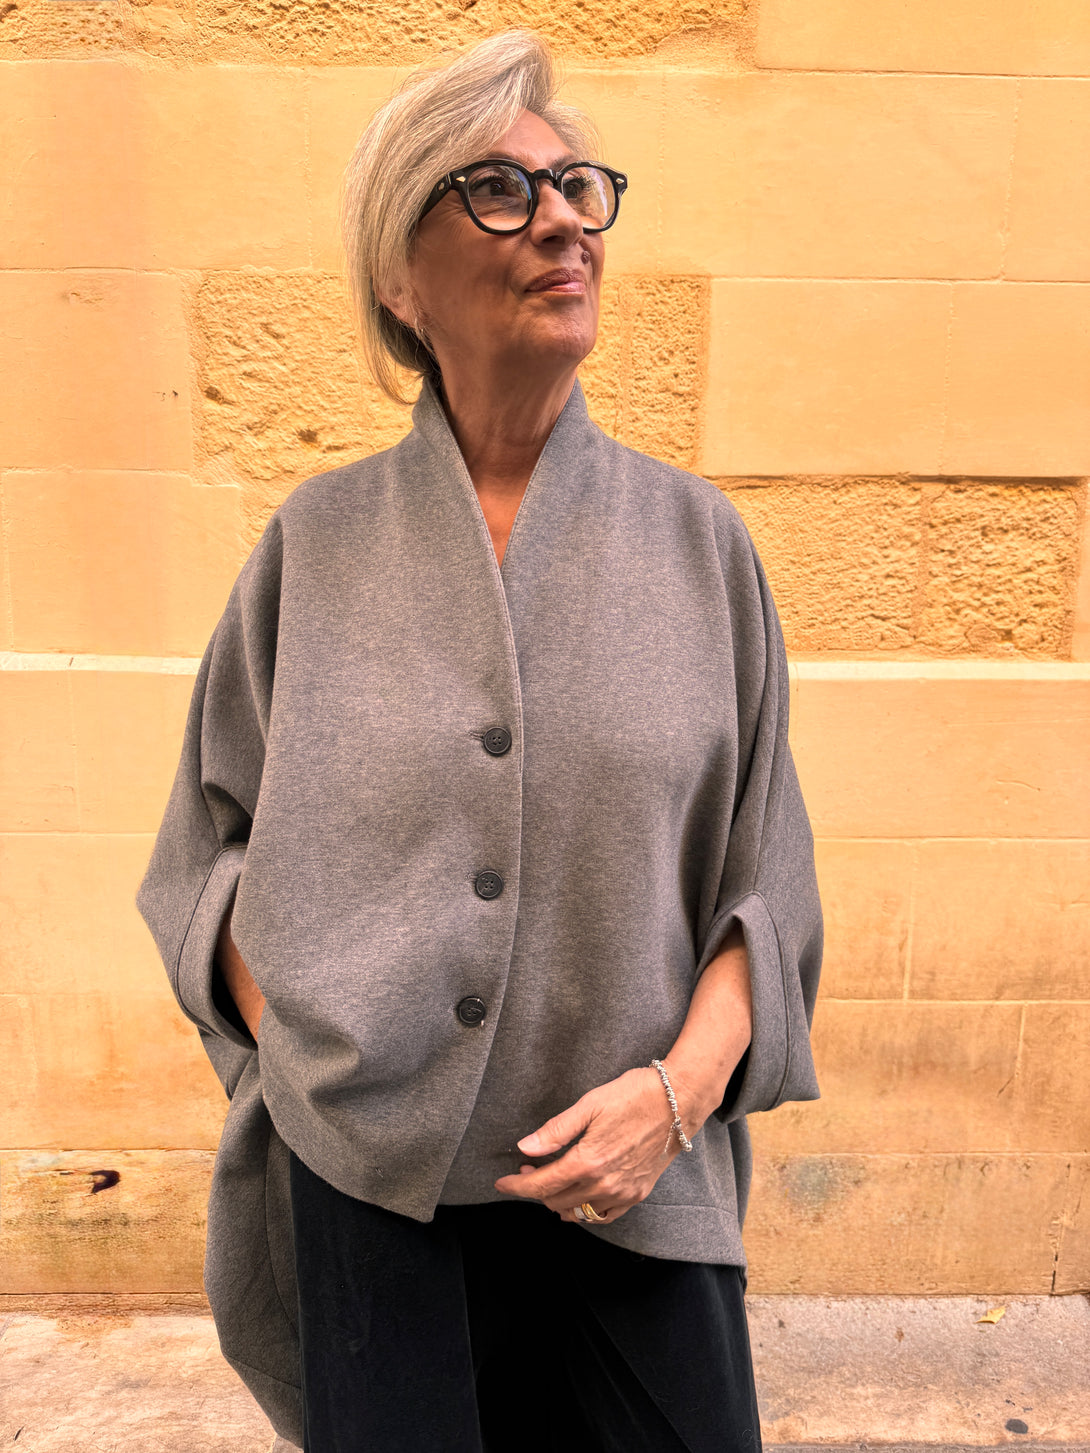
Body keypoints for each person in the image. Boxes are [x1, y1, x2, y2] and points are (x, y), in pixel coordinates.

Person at [137, 28, 823, 1453]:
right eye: (502, 191)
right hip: (371, 1195)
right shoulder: (316, 549)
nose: (563, 220)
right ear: (400, 278)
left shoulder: (697, 547)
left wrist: (673, 1100)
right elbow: (207, 853)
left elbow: (767, 890)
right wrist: (314, 1064)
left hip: (637, 1193)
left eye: (577, 186)